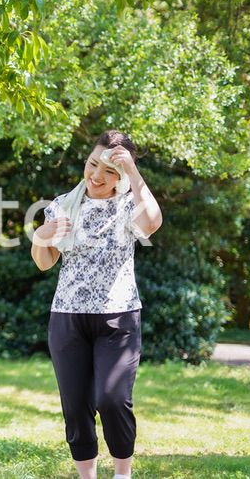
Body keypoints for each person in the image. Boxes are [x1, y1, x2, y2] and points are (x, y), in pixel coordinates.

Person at [31, 130, 163, 479]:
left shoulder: (129, 204)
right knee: (76, 406)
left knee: (112, 399)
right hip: (68, 317)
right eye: (92, 165)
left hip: (118, 317)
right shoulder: (63, 204)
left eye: (109, 171)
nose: (96, 176)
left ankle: (122, 474)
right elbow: (45, 262)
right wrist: (39, 237)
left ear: (121, 175)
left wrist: (133, 171)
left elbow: (152, 221)